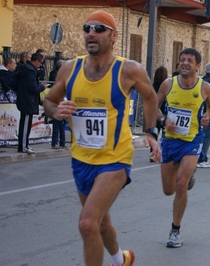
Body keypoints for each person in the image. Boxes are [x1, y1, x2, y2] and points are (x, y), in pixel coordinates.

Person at [43, 10, 161, 266]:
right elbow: (49, 101)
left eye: (99, 28)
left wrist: (151, 132)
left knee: (87, 224)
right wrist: (56, 111)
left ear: (113, 36)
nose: (91, 33)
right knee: (102, 223)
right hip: (81, 159)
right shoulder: (69, 69)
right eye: (87, 28)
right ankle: (121, 260)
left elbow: (151, 97)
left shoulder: (128, 70)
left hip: (114, 160)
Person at [156, 48, 210, 248]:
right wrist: (164, 120)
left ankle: (175, 231)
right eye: (182, 60)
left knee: (181, 185)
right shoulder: (168, 84)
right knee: (168, 190)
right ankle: (187, 175)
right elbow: (153, 106)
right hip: (170, 141)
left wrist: (207, 115)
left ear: (198, 66)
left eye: (189, 60)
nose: (184, 63)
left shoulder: (204, 87)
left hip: (192, 140)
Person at [16, 52, 46, 154]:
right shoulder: (30, 71)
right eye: (41, 62)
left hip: (25, 100)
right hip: (28, 101)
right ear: (36, 61)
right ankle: (23, 146)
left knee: (25, 124)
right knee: (25, 125)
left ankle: (24, 145)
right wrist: (42, 87)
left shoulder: (27, 69)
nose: (41, 65)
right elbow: (33, 88)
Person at [149, 66, 168, 162]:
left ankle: (152, 154)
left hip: (153, 112)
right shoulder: (165, 86)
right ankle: (161, 153)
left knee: (154, 133)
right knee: (164, 134)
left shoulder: (153, 86)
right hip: (163, 112)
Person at [49, 60, 67, 149]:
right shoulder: (55, 74)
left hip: (62, 100)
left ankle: (62, 143)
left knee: (62, 124)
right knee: (56, 124)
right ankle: (54, 143)